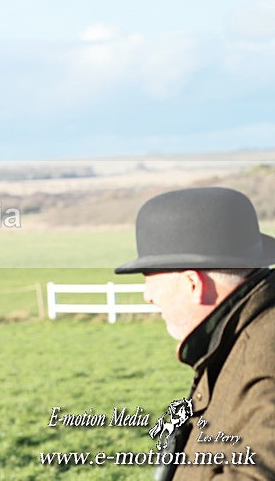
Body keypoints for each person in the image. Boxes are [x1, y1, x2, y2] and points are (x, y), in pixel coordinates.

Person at [115, 187, 275, 480]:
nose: (147, 295)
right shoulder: (237, 335)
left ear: (193, 284)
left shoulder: (265, 353)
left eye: (149, 278)